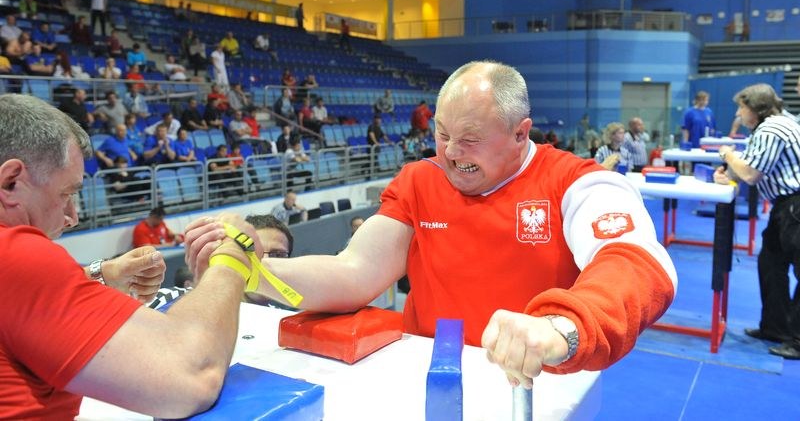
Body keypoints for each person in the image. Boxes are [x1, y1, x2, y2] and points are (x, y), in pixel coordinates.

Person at [185, 60, 676, 389]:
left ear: (521, 133)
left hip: (532, 383)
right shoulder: (419, 180)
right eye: (441, 134)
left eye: (470, 139)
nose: (450, 153)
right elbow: (354, 272)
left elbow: (639, 263)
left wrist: (562, 328)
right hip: (425, 378)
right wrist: (250, 269)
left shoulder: (576, 183)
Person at [0, 93, 256, 419]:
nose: (72, 215)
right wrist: (233, 253)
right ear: (10, 182)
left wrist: (99, 274)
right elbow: (191, 375)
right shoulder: (18, 254)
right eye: (66, 193)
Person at [713, 84, 800, 359]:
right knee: (771, 264)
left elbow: (750, 173)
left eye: (742, 108)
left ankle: (797, 339)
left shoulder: (771, 129)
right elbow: (747, 168)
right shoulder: (774, 126)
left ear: (757, 109)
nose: (739, 113)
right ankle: (776, 327)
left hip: (794, 206)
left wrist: (727, 155)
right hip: (786, 206)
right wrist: (729, 172)